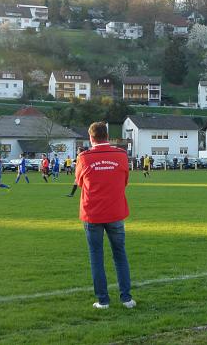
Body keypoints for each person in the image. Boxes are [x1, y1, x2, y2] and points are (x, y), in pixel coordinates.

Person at [76, 121, 135, 309]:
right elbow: (125, 180)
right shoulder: (121, 155)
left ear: (91, 137)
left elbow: (79, 182)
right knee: (120, 254)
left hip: (92, 213)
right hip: (116, 211)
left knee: (96, 256)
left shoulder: (84, 157)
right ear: (107, 136)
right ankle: (126, 299)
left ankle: (103, 300)